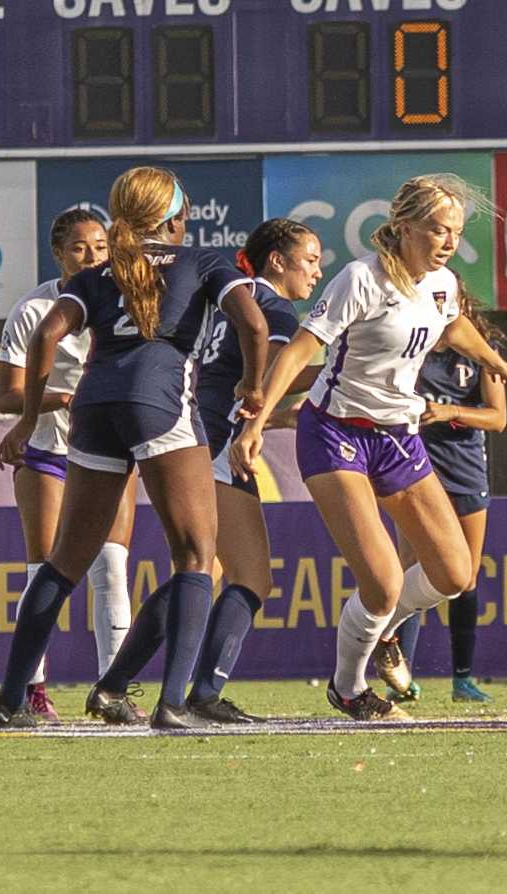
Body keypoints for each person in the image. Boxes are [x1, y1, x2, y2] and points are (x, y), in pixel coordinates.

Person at [0, 166, 269, 731]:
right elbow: (254, 327)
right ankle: (173, 703)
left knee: (65, 560)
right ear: (172, 219)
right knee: (194, 555)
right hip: (158, 401)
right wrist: (253, 387)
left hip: (92, 408)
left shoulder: (99, 273)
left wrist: (29, 418)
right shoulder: (203, 261)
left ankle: (10, 700)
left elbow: (45, 336)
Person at [229, 174, 507, 721]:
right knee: (384, 580)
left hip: (397, 437)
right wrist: (256, 424)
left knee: (456, 574)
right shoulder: (360, 279)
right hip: (337, 431)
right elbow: (299, 352)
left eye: (457, 232)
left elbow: (452, 324)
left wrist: (493, 360)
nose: (449, 242)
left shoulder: (442, 283)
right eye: (439, 230)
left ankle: (385, 633)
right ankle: (348, 688)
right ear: (406, 226)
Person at [178, 217, 323, 724]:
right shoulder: (273, 308)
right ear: (276, 261)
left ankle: (123, 683)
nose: (318, 272)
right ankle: (202, 693)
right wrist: (341, 366)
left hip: (194, 436)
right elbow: (274, 377)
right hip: (220, 443)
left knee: (200, 572)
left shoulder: (228, 299)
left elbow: (247, 381)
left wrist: (275, 416)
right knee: (249, 576)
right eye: (309, 260)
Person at [0, 207, 134, 723]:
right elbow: (8, 396)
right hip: (49, 454)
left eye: (100, 247)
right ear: (58, 253)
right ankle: (32, 689)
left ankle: (113, 690)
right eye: (80, 247)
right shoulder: (34, 310)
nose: (92, 256)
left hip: (111, 451)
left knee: (112, 569)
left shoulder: (126, 302)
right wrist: (62, 398)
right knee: (44, 568)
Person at [385, 287, 507, 704]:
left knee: (465, 576)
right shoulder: (409, 341)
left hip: (465, 469)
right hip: (416, 467)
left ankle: (463, 679)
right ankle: (399, 672)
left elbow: (498, 419)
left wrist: (451, 412)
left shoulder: (480, 351)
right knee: (416, 567)